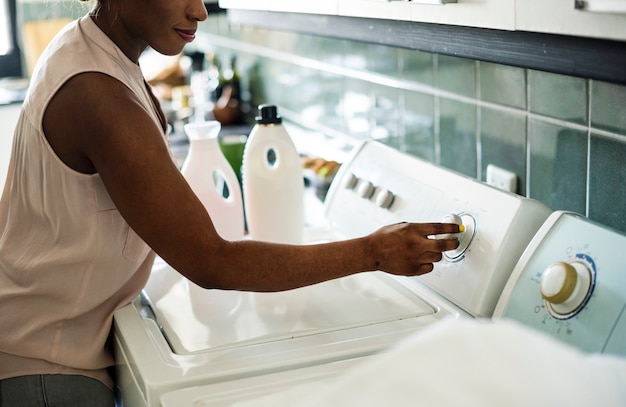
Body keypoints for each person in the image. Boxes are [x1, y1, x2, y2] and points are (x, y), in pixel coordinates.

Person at [0, 0, 461, 404]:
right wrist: (373, 252)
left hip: (48, 343)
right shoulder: (99, 96)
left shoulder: (91, 49)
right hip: (44, 366)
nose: (200, 9)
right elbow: (211, 261)